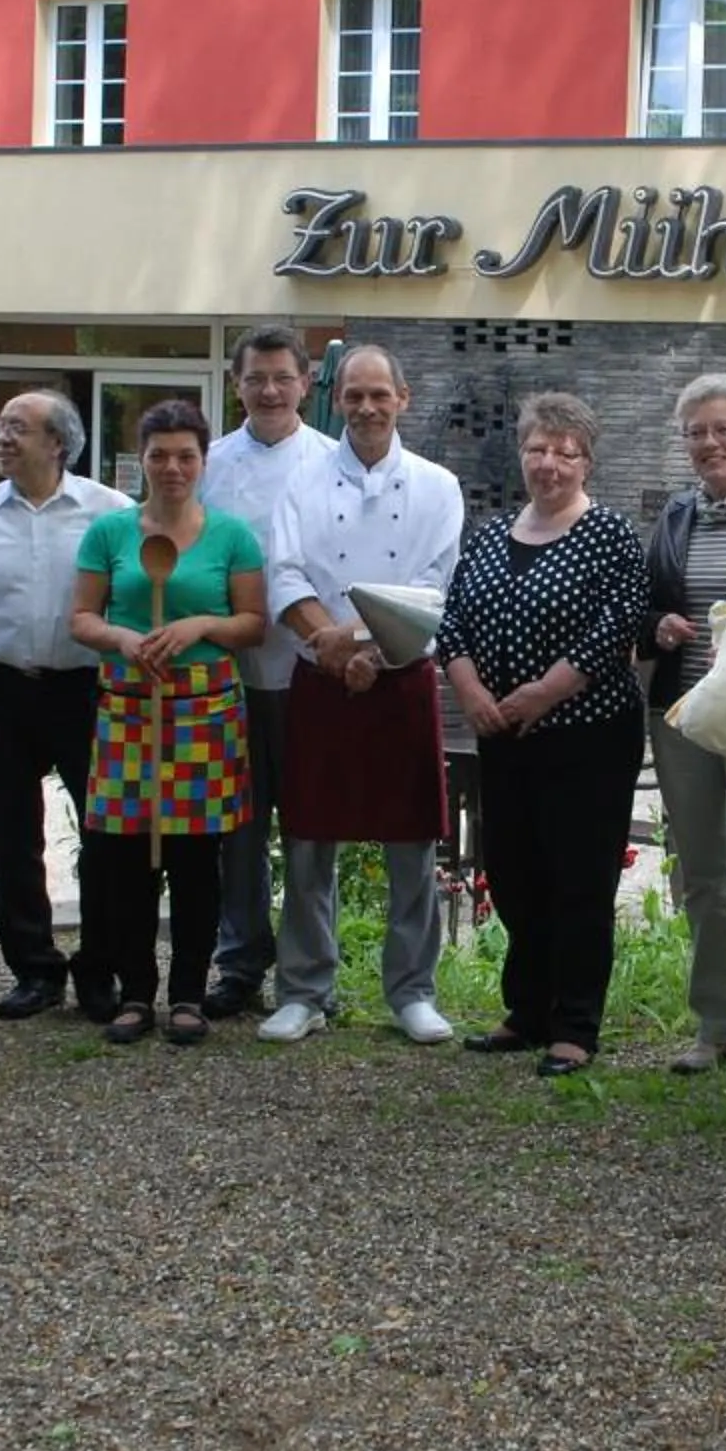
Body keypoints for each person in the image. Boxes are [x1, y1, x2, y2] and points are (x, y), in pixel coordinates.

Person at [437, 391, 650, 1079]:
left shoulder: (610, 534)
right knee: (514, 875)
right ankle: (526, 1011)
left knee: (579, 879)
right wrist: (471, 691)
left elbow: (617, 626)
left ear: (587, 462)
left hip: (587, 736)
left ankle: (575, 1024)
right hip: (502, 734)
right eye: (537, 448)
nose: (549, 462)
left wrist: (543, 692)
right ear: (521, 454)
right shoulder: (490, 534)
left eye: (565, 451)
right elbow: (453, 622)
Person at [258, 345, 464, 1046]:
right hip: (320, 676)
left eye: (380, 395)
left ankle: (412, 992)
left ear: (403, 398)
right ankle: (304, 991)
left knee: (412, 840)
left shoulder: (438, 485)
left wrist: (362, 648)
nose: (367, 408)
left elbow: (433, 586)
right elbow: (286, 575)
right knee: (309, 838)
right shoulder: (302, 479)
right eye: (354, 396)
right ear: (336, 399)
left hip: (401, 674)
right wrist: (333, 647)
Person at [70, 399, 268, 1046]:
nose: (172, 467)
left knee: (194, 861)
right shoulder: (110, 534)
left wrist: (201, 625)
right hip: (129, 707)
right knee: (126, 859)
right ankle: (136, 994)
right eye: (160, 455)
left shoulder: (232, 536)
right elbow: (82, 619)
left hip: (205, 713)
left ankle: (187, 995)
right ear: (143, 459)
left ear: (204, 461)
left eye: (186, 456)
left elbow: (253, 624)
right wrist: (123, 639)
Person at [0, 389, 131, 1021]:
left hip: (86, 689)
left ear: (58, 443)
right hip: (0, 686)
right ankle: (34, 969)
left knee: (106, 832)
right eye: (0, 427)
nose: (3, 438)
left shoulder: (110, 513)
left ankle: (99, 968)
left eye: (19, 428)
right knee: (9, 831)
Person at [197, 325, 336, 1019]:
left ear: (306, 383)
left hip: (313, 673)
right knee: (239, 831)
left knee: (311, 830)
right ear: (236, 385)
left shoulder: (335, 463)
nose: (271, 391)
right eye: (256, 379)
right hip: (229, 677)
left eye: (284, 377)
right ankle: (240, 963)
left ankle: (310, 975)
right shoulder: (209, 464)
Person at [642, 372, 726, 1074]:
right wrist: (657, 625)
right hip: (685, 715)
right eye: (696, 433)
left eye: (724, 429)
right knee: (703, 871)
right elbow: (645, 603)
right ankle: (719, 1023)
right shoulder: (676, 517)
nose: (710, 443)